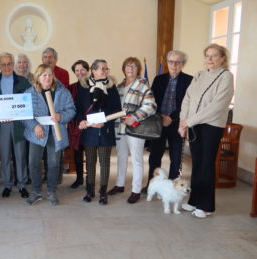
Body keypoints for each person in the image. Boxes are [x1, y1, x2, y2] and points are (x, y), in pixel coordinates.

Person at [178, 43, 234, 218]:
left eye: (214, 55)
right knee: (197, 162)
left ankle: (206, 205)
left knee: (206, 164)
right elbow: (187, 98)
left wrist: (189, 121)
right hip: (194, 124)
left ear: (223, 58)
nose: (209, 59)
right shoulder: (199, 75)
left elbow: (217, 106)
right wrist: (182, 122)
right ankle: (194, 200)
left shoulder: (226, 76)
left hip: (212, 125)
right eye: (207, 56)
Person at [23, 64, 75, 206]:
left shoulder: (62, 92)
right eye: (44, 75)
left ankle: (52, 191)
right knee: (33, 162)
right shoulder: (29, 93)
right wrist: (35, 126)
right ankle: (36, 192)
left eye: (50, 75)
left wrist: (61, 116)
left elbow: (71, 110)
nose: (47, 78)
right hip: (37, 133)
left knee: (53, 164)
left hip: (55, 133)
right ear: (38, 78)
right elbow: (24, 114)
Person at [108, 57, 156, 204]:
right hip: (120, 126)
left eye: (134, 66)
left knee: (136, 159)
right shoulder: (120, 85)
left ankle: (136, 190)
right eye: (128, 66)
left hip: (135, 127)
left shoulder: (142, 84)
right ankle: (120, 184)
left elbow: (151, 105)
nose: (130, 69)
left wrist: (135, 117)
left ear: (138, 69)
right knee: (121, 157)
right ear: (124, 68)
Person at [144, 50, 193, 193]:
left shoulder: (189, 80)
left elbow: (187, 103)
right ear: (167, 63)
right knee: (155, 156)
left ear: (183, 64)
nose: (174, 64)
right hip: (159, 123)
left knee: (176, 157)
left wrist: (171, 117)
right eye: (171, 61)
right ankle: (151, 185)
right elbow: (151, 100)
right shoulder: (159, 79)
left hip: (177, 124)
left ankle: (173, 186)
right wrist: (161, 116)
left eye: (178, 62)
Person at [77, 59, 121, 205]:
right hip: (89, 131)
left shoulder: (112, 87)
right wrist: (81, 121)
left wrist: (106, 121)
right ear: (93, 71)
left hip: (105, 129)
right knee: (90, 162)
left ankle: (103, 192)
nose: (104, 71)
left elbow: (117, 109)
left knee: (105, 162)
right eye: (101, 68)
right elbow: (79, 109)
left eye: (106, 69)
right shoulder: (83, 87)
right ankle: (89, 191)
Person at [0, 52, 31, 199]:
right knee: (4, 155)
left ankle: (22, 184)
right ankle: (7, 185)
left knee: (21, 154)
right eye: (3, 64)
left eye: (9, 63)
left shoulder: (23, 81)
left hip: (19, 124)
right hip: (3, 124)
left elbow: (29, 101)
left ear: (13, 64)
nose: (7, 67)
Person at [41, 47, 70, 184]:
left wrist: (60, 115)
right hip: (44, 117)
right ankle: (47, 174)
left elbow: (64, 94)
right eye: (45, 57)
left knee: (57, 149)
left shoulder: (63, 73)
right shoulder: (39, 72)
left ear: (55, 58)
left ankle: (57, 176)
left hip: (58, 116)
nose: (48, 59)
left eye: (51, 56)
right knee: (46, 150)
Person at [67, 60, 89, 189]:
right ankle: (79, 178)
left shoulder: (93, 85)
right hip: (75, 124)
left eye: (82, 70)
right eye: (76, 70)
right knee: (77, 153)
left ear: (88, 70)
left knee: (90, 153)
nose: (79, 72)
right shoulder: (71, 88)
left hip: (90, 123)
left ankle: (89, 179)